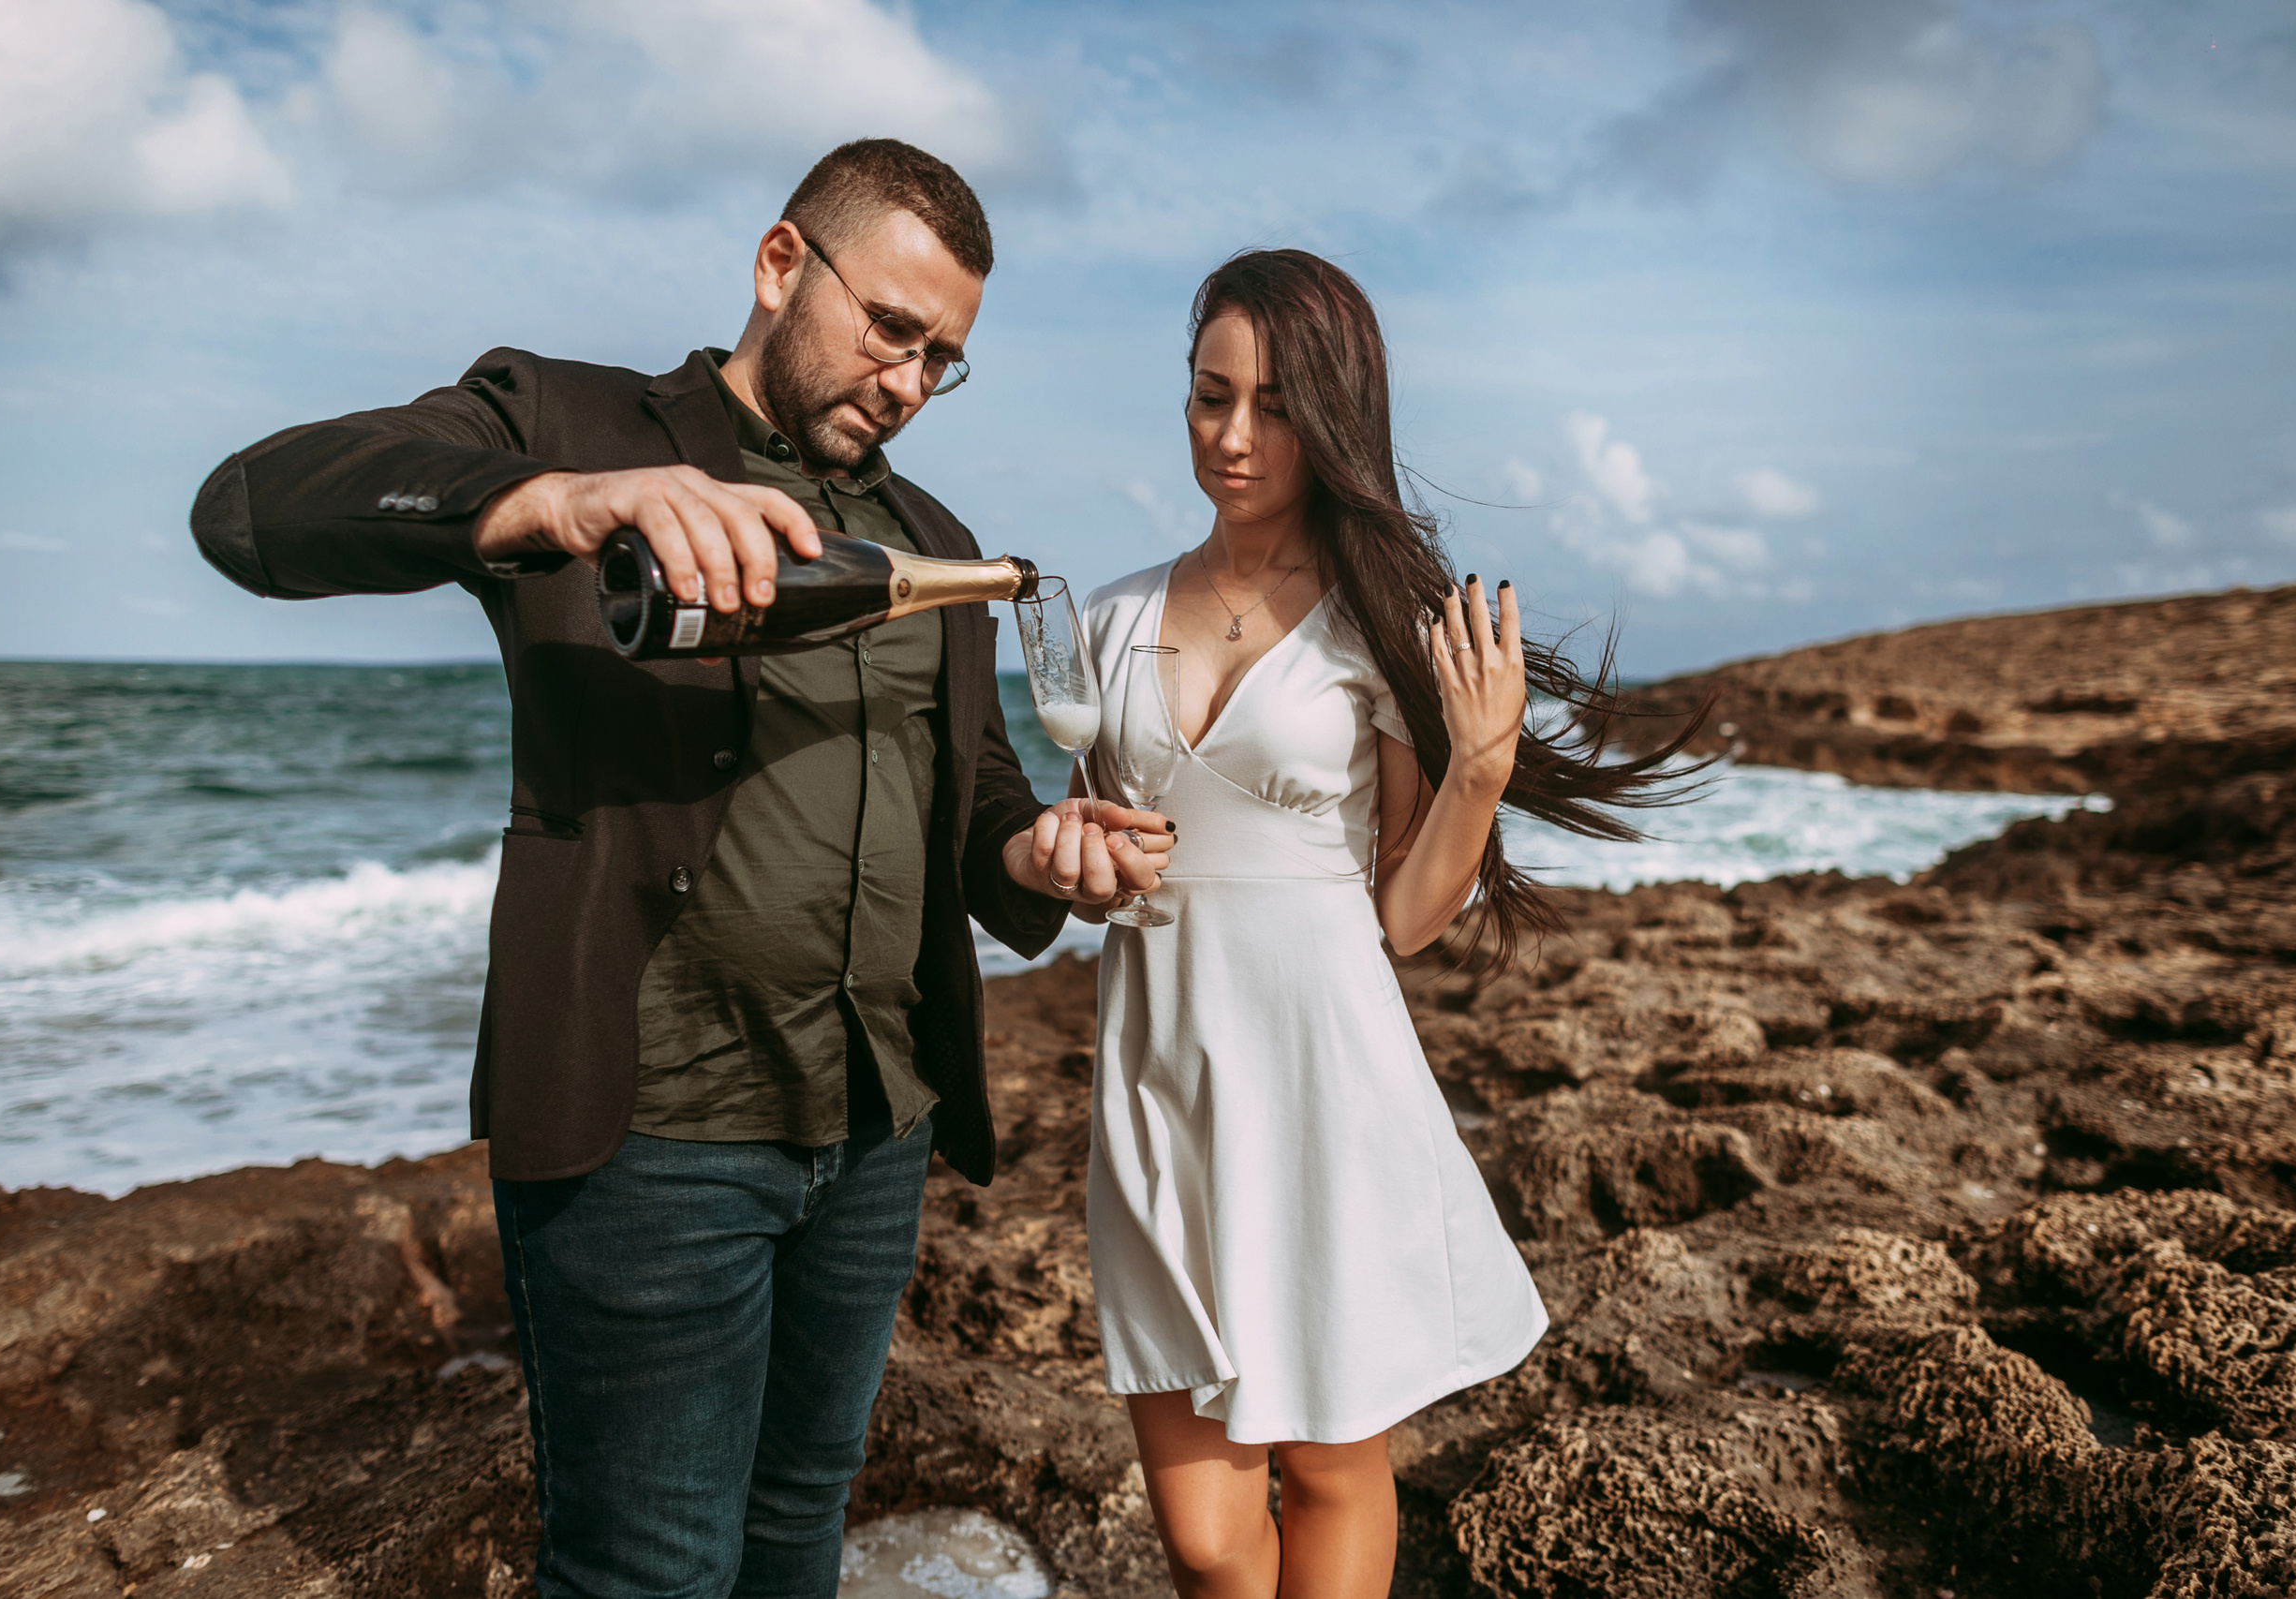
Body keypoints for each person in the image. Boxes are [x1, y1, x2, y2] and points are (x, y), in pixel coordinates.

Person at [188, 139, 1172, 1598]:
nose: (907, 382)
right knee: (646, 1570)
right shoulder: (566, 418)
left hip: (875, 1129)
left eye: (943, 358)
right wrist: (559, 503)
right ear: (781, 264)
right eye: (890, 330)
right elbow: (252, 509)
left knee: (797, 1533)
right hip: (652, 1139)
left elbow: (968, 799)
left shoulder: (936, 543)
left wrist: (1036, 851)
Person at [1074, 250, 1702, 1598]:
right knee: (1202, 1540)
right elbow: (1093, 844)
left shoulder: (1383, 624)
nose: (1235, 437)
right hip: (1156, 1080)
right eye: (1209, 396)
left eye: (1278, 406)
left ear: (1338, 419)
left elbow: (1405, 919)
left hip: (1322, 1081)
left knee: (1330, 1471)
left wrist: (1478, 769)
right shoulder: (1112, 618)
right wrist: (1079, 861)